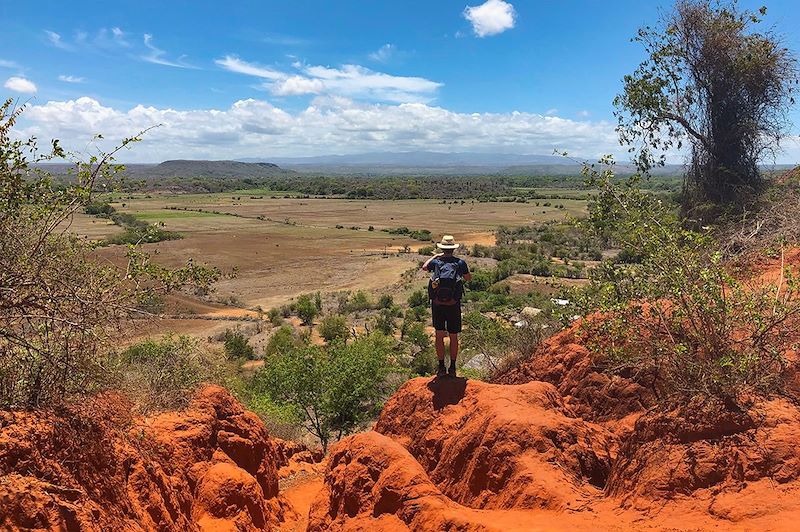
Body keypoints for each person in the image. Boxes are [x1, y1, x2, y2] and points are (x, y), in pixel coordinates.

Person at [421, 235, 472, 378]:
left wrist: (436, 256)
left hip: (437, 304)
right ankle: (453, 367)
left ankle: (441, 367)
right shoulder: (460, 263)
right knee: (454, 336)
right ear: (453, 249)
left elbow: (424, 267)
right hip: (453, 304)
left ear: (442, 248)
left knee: (439, 335)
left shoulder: (437, 262)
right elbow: (468, 278)